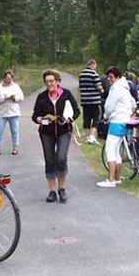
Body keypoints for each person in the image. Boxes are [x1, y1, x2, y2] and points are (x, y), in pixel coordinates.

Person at [31, 69, 80, 203]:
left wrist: (68, 119)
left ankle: (62, 188)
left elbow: (76, 111)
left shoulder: (66, 94)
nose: (49, 84)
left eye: (52, 81)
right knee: (49, 159)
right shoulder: (42, 97)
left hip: (64, 131)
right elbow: (34, 115)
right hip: (46, 133)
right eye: (47, 82)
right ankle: (52, 191)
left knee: (61, 158)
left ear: (57, 81)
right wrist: (40, 119)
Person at [97, 67, 137, 188]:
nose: (109, 79)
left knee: (110, 150)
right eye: (108, 77)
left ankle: (110, 180)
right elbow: (133, 103)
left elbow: (109, 106)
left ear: (117, 77)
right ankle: (117, 178)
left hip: (117, 121)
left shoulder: (116, 88)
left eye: (111, 77)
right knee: (116, 151)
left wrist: (105, 116)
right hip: (125, 121)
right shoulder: (125, 87)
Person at [0, 70, 24, 155]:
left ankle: (15, 147)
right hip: (1, 113)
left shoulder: (16, 86)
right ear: (4, 78)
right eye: (7, 78)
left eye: (10, 78)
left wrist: (15, 98)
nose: (8, 80)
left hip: (13, 112)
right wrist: (3, 98)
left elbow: (21, 97)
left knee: (15, 131)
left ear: (12, 78)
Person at [78, 59, 104, 145]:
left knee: (87, 119)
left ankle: (87, 137)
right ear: (93, 65)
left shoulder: (81, 74)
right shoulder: (94, 74)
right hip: (94, 100)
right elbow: (99, 87)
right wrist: (102, 91)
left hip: (85, 100)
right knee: (97, 118)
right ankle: (92, 136)